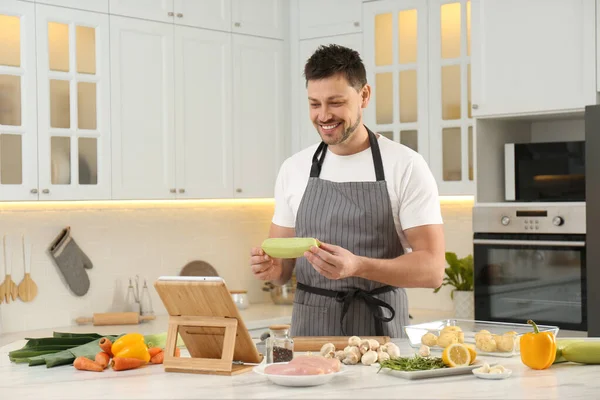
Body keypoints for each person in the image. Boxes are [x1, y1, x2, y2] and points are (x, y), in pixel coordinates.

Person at [250, 44, 446, 338]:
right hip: (309, 335)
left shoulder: (405, 165)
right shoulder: (294, 168)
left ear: (364, 95)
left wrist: (358, 266)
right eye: (314, 104)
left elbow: (432, 270)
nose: (324, 115)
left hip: (379, 334)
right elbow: (281, 272)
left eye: (335, 102)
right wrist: (269, 269)